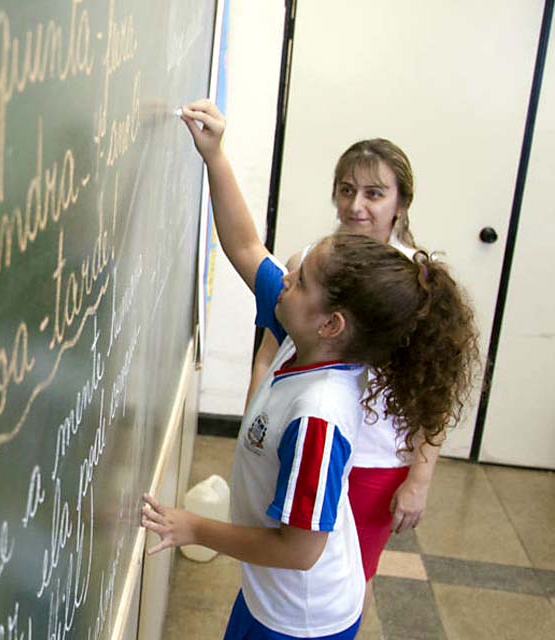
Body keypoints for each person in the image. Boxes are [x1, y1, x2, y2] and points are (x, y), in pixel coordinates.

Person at [140, 100, 478, 640]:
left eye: (297, 282)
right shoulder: (308, 340)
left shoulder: (319, 419)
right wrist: (215, 156)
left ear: (330, 323)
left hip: (302, 619)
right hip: (270, 598)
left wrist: (193, 528)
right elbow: (247, 247)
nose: (283, 282)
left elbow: (300, 550)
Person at [247, 139, 438, 590]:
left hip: (374, 461)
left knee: (350, 580)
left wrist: (420, 479)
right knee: (277, 568)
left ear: (401, 204)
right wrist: (256, 428)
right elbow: (269, 355)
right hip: (303, 443)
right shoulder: (311, 262)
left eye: (374, 193)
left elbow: (435, 390)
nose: (356, 206)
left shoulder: (416, 281)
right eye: (347, 189)